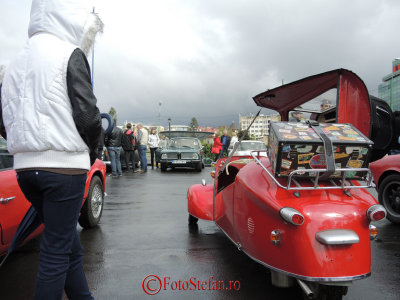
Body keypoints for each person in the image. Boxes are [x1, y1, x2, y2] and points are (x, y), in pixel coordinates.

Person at [0, 1, 103, 299]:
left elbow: (3, 118)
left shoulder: (14, 62)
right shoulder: (69, 53)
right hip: (64, 167)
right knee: (56, 254)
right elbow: (88, 115)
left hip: (25, 170)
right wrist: (91, 150)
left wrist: (23, 144)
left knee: (68, 246)